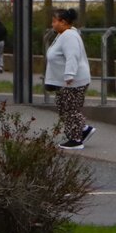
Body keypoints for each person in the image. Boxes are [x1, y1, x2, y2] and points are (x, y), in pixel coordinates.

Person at [45, 8, 95, 150]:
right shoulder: (63, 34)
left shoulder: (69, 36)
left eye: (54, 21)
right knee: (63, 107)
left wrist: (69, 75)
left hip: (72, 81)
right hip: (65, 81)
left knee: (70, 109)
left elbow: (72, 56)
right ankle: (83, 129)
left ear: (63, 22)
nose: (52, 24)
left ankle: (76, 139)